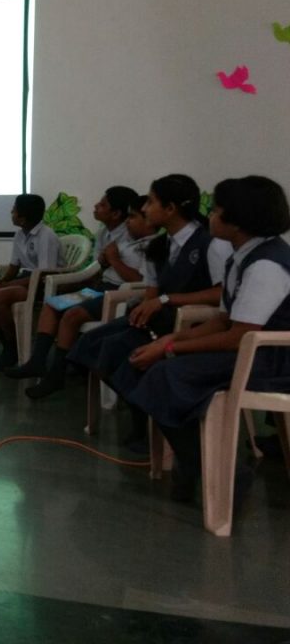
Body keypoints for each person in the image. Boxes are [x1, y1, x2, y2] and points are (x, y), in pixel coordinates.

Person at [121, 175, 290, 502]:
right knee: (151, 366)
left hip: (271, 362)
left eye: (215, 210)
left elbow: (239, 336)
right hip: (249, 353)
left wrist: (171, 348)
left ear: (238, 221)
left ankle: (218, 470)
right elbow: (224, 320)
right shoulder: (241, 256)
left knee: (166, 374)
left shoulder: (267, 264)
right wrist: (169, 340)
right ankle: (194, 462)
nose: (208, 216)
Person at [68, 174, 232, 448]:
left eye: (151, 202)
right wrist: (144, 309)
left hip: (190, 323)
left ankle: (150, 424)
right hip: (160, 319)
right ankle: (143, 413)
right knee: (91, 344)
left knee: (118, 347)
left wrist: (166, 300)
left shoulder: (211, 244)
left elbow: (221, 293)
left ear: (170, 209)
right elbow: (152, 294)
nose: (144, 208)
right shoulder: (159, 245)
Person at [4, 186, 148, 398]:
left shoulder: (135, 237)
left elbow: (141, 281)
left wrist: (114, 260)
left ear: (116, 213)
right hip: (101, 288)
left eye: (102, 205)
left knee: (72, 315)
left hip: (119, 294)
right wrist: (78, 283)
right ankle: (37, 362)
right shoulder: (104, 233)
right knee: (52, 304)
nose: (96, 207)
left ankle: (57, 374)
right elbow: (97, 270)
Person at [0, 194, 63, 370]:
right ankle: (7, 343)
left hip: (42, 285)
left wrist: (7, 286)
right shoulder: (20, 234)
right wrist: (2, 281)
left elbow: (45, 274)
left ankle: (14, 346)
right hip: (24, 280)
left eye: (14, 210)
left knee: (0, 296)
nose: (11, 213)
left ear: (23, 217)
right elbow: (14, 266)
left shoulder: (46, 236)